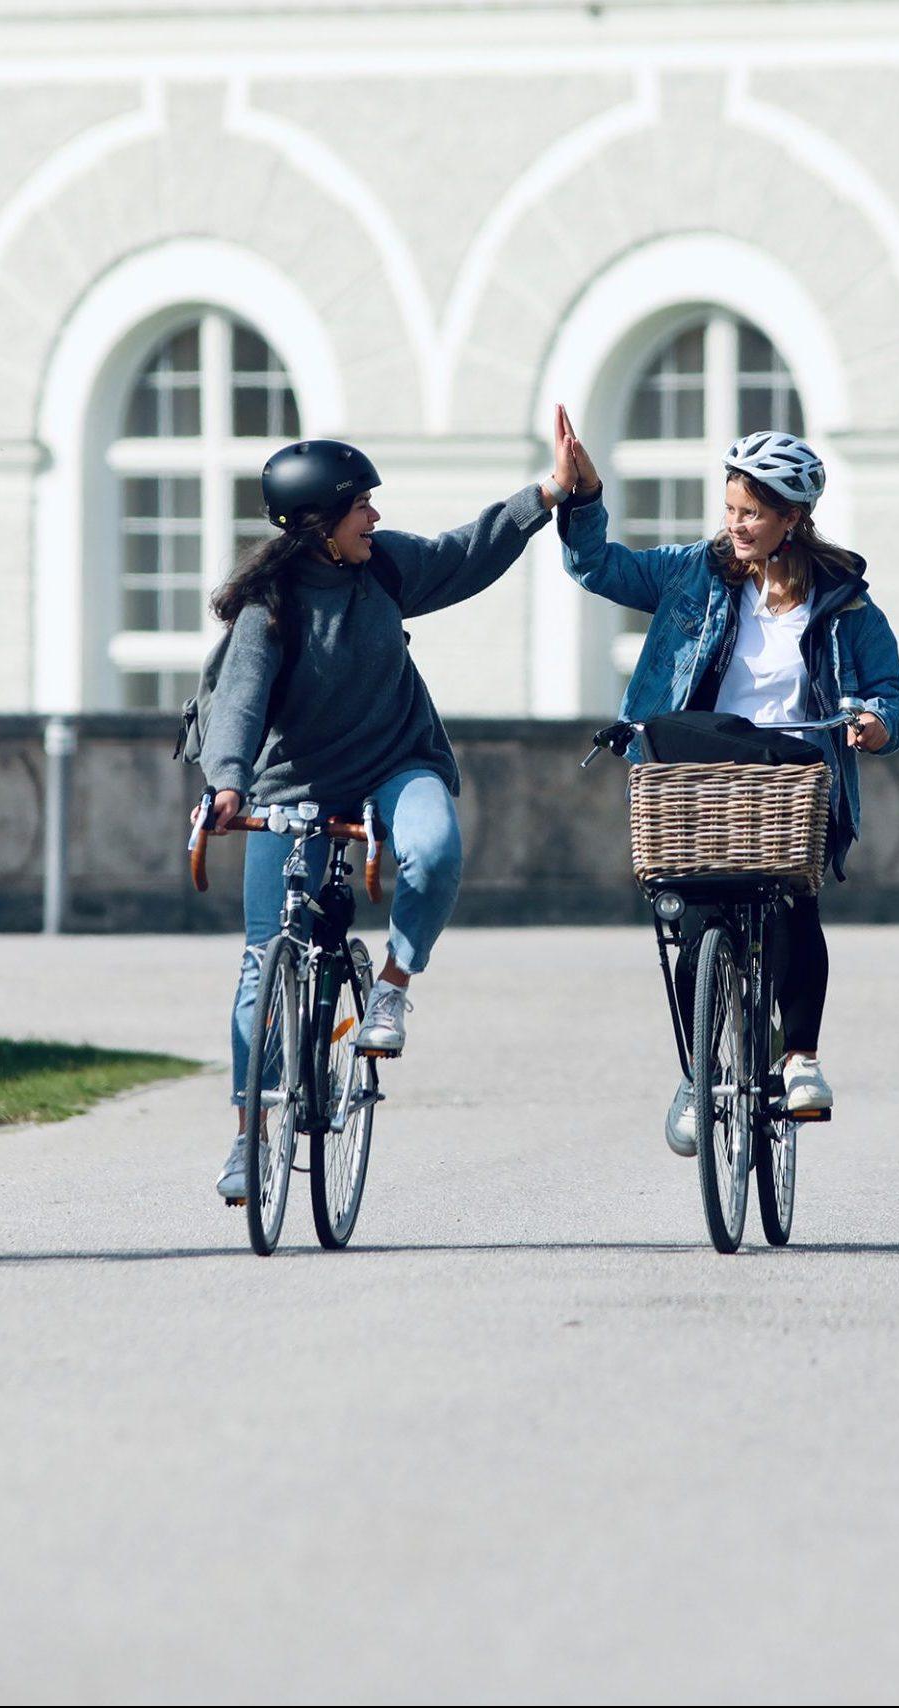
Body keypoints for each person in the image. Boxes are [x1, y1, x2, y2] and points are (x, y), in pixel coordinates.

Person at [199, 433, 576, 1201]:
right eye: (360, 505)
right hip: (291, 786)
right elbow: (237, 703)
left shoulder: (385, 568)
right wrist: (229, 786)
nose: (374, 514)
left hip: (397, 764)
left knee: (434, 851)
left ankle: (393, 986)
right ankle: (249, 1137)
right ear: (319, 523)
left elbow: (464, 554)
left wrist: (546, 495)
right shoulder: (269, 610)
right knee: (262, 959)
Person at [553, 411, 899, 1147]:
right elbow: (597, 567)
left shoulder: (844, 604)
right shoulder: (693, 573)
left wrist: (875, 723)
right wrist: (583, 499)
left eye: (752, 514)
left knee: (794, 907)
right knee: (694, 928)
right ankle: (698, 1075)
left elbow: (890, 695)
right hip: (699, 777)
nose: (736, 526)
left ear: (793, 518)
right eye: (731, 509)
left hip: (793, 778)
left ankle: (802, 1058)